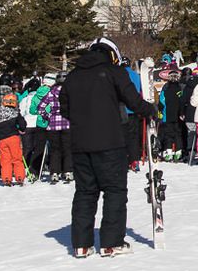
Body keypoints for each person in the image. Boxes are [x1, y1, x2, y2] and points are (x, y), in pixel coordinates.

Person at [57, 39, 158, 257]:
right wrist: (150, 110)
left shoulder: (73, 76)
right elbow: (132, 100)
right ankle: (111, 242)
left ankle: (82, 245)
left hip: (80, 144)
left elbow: (64, 108)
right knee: (114, 191)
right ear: (112, 54)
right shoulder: (113, 72)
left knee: (85, 192)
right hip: (110, 142)